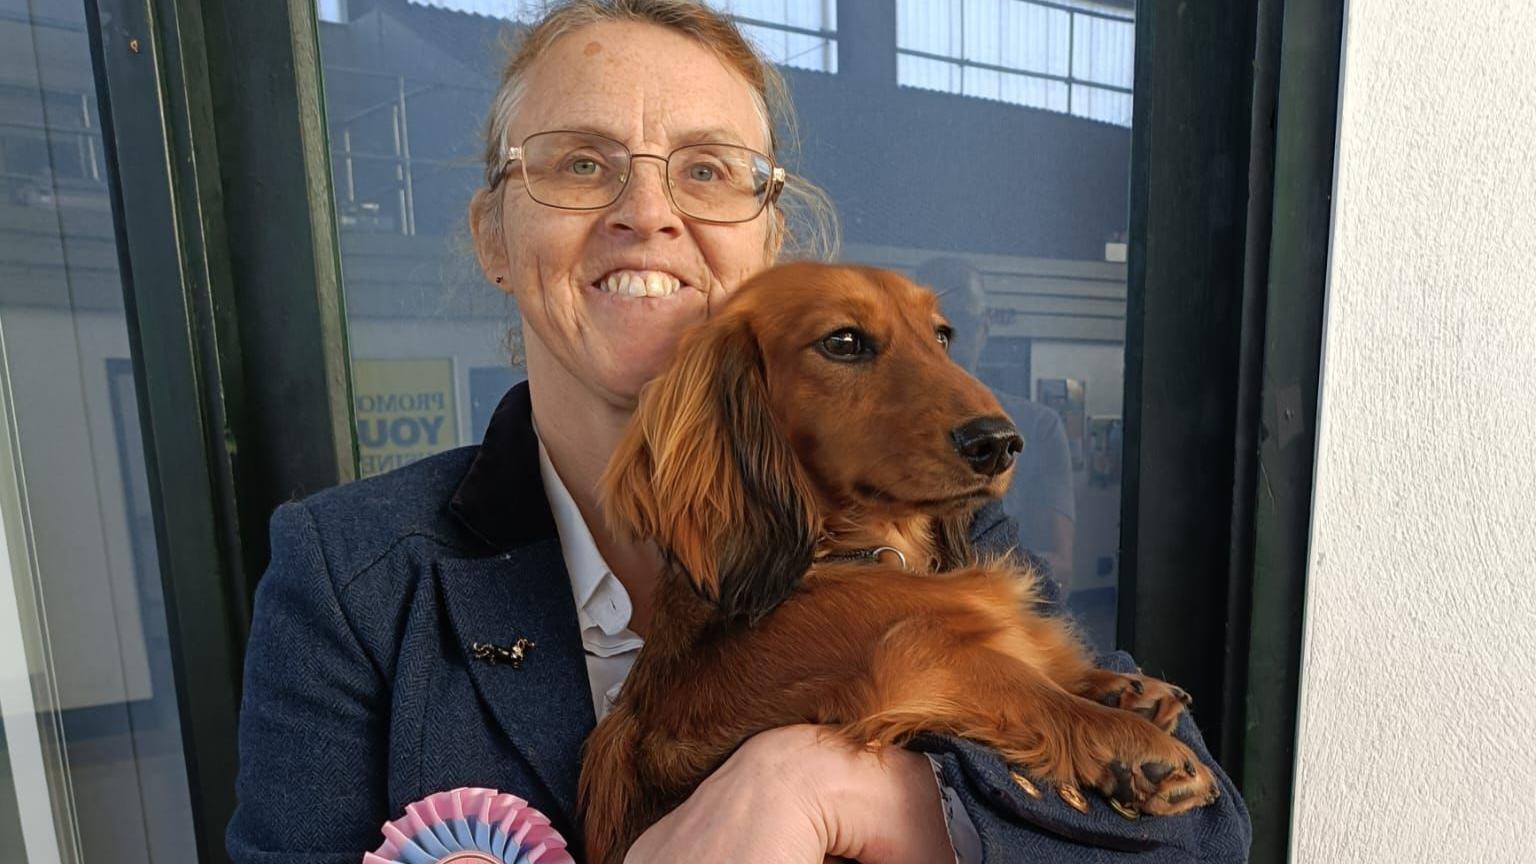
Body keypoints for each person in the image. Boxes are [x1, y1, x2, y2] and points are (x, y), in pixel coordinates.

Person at [227, 2, 1248, 862]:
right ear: (496, 236)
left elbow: (1205, 830)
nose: (648, 212)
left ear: (770, 244)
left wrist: (824, 787)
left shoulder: (922, 523)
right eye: (581, 163)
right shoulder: (350, 575)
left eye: (708, 171)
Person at [916, 257, 1078, 591]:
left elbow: (1061, 565)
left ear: (986, 326)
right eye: (933, 328)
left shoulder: (1038, 427)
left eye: (963, 320)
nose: (950, 340)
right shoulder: (874, 432)